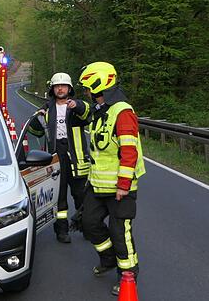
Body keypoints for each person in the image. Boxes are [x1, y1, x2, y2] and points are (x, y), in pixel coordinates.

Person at [78, 62, 146, 296]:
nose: (86, 93)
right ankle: (108, 259)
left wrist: (123, 186)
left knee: (120, 233)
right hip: (98, 186)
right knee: (89, 224)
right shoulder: (101, 111)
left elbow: (129, 151)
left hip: (120, 189)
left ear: (99, 85)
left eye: (88, 88)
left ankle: (128, 275)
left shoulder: (122, 112)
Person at [29, 73, 91, 243]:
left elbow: (87, 112)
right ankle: (62, 232)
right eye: (57, 86)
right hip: (56, 156)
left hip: (77, 158)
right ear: (53, 89)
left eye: (64, 86)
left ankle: (86, 227)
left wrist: (76, 104)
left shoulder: (76, 106)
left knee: (81, 196)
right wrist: (38, 116)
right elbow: (35, 132)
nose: (61, 88)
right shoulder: (48, 109)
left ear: (70, 89)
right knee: (59, 197)